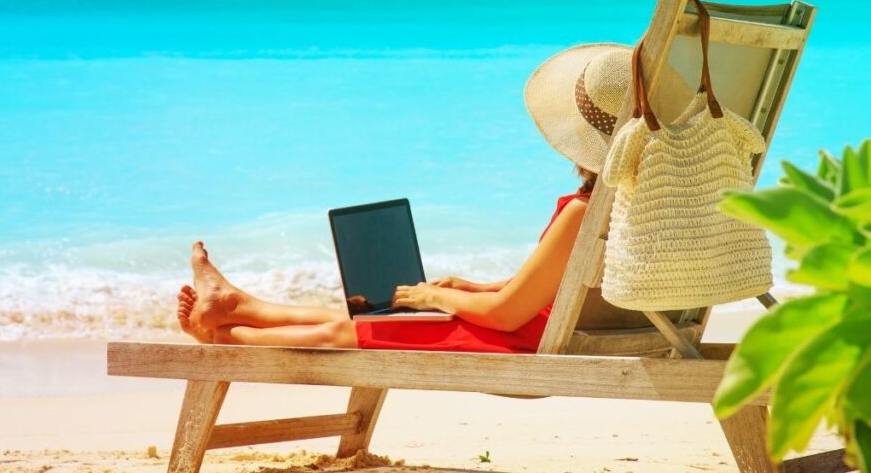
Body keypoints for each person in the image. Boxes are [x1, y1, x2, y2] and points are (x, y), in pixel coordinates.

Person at [176, 43, 676, 353]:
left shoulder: (582, 213)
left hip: (523, 340)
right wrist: (473, 288)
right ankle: (237, 304)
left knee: (347, 336)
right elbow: (558, 282)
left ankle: (221, 336)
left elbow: (507, 316)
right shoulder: (639, 206)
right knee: (368, 320)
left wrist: (436, 296)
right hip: (547, 327)